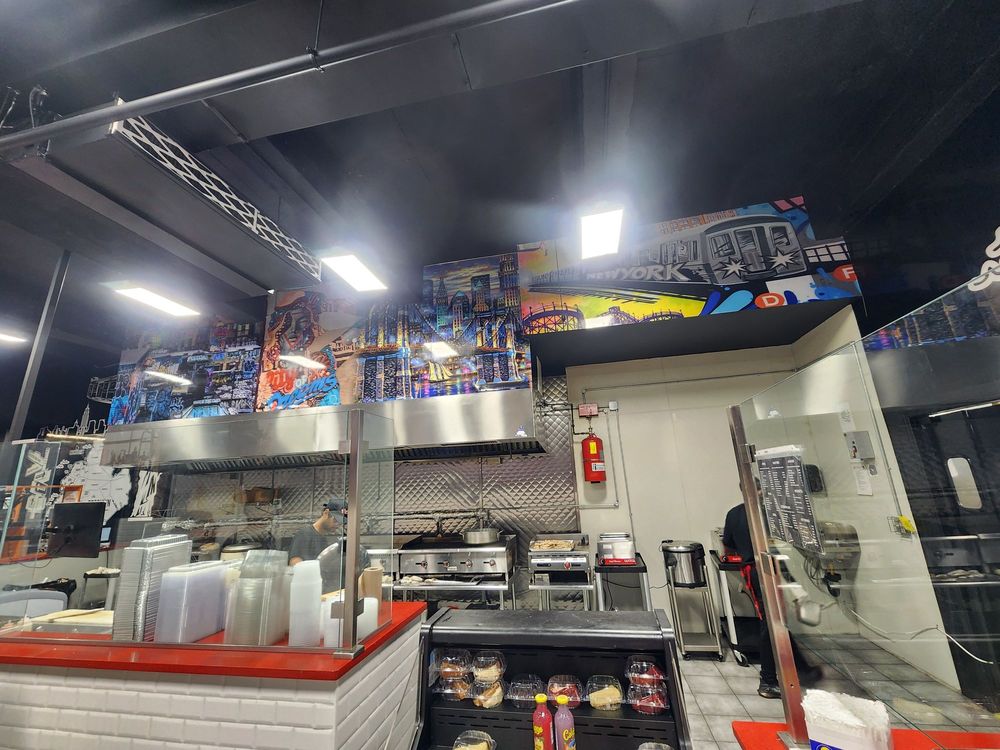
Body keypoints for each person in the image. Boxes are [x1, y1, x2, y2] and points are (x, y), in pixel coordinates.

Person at [722, 500, 819, 698]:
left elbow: (728, 545)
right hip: (763, 570)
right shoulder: (767, 512)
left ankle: (802, 669)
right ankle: (767, 681)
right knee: (771, 623)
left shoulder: (734, 513)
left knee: (777, 621)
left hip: (757, 569)